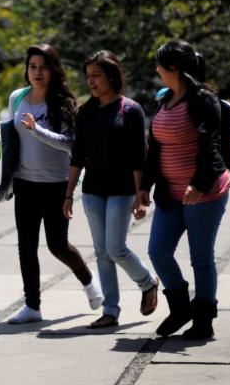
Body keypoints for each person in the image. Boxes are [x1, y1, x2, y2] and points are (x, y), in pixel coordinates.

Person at [5, 44, 103, 325]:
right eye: (32, 67)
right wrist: (8, 179)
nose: (37, 72)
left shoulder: (63, 104)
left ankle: (88, 281)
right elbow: (10, 140)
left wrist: (38, 131)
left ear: (54, 70)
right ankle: (32, 306)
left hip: (57, 184)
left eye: (43, 67)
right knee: (26, 245)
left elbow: (71, 146)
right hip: (25, 182)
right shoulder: (17, 98)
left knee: (57, 245)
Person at [142, 40, 230, 340]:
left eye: (160, 65)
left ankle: (203, 320)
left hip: (204, 194)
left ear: (174, 69)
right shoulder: (163, 99)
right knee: (158, 251)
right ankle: (181, 308)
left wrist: (199, 184)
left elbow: (211, 147)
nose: (156, 70)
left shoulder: (204, 100)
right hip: (170, 193)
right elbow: (154, 148)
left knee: (201, 258)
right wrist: (144, 187)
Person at [65, 50, 158, 329]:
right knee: (102, 252)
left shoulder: (130, 110)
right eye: (88, 76)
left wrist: (141, 195)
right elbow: (77, 156)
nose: (90, 81)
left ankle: (147, 282)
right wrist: (68, 194)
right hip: (93, 191)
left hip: (122, 190)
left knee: (116, 248)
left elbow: (138, 156)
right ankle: (110, 311)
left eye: (96, 75)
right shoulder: (85, 112)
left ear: (111, 76)